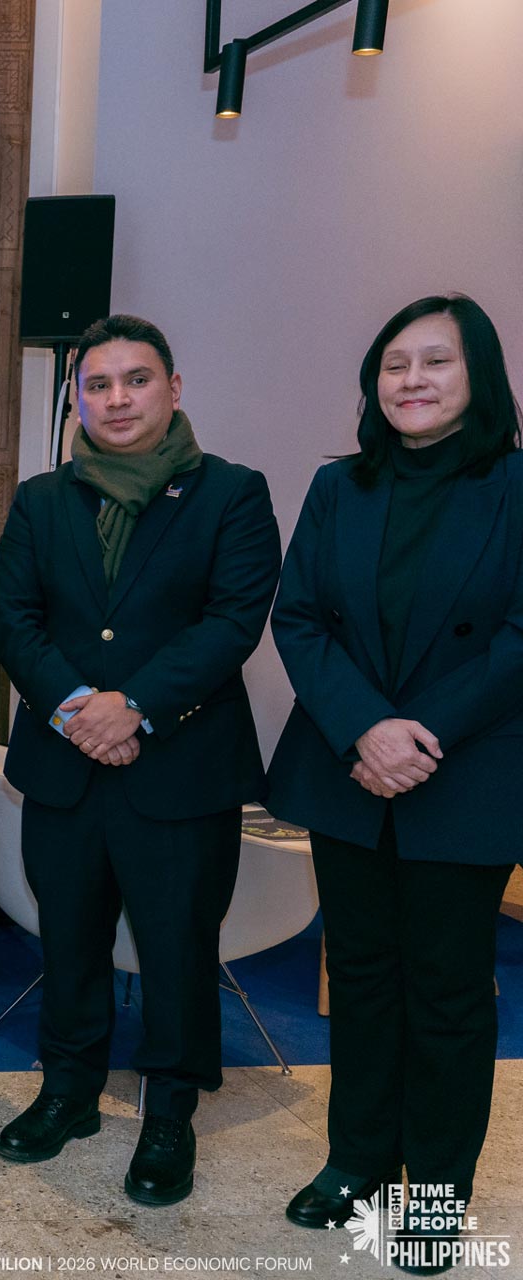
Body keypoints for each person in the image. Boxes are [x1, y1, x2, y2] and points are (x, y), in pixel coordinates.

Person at [0, 314, 281, 1206]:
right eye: (99, 385)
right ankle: (68, 1092)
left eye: (136, 380)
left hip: (181, 770)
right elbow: (12, 619)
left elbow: (232, 620)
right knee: (68, 937)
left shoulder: (231, 493)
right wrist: (79, 709)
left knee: (178, 947)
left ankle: (169, 1114)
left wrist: (135, 707)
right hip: (66, 762)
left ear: (174, 389)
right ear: (77, 399)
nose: (117, 399)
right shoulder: (42, 499)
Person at [267, 294, 523, 1276]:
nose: (412, 380)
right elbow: (299, 619)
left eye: (436, 361)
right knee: (363, 976)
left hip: (467, 772)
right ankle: (359, 1160)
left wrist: (421, 732)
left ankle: (438, 1191)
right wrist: (365, 727)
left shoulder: (515, 485)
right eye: (394, 364)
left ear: (479, 375)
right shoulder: (340, 485)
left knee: (449, 990)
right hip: (349, 768)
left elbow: (518, 638)